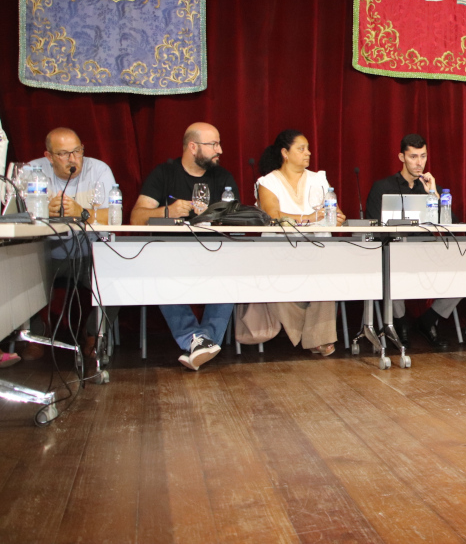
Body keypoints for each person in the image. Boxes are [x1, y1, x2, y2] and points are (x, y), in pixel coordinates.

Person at [130, 123, 240, 370]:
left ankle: (198, 341)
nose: (220, 150)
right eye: (213, 144)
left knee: (233, 271)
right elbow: (136, 217)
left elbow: (237, 220)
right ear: (192, 147)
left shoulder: (223, 178)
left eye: (219, 144)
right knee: (157, 274)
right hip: (169, 256)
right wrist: (166, 211)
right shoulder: (164, 174)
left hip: (213, 253)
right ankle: (199, 339)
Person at [24, 128, 119, 360]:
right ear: (49, 156)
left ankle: (93, 335)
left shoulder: (99, 170)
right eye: (63, 154)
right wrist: (43, 211)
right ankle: (36, 334)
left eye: (77, 151)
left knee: (117, 276)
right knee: (17, 274)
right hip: (45, 254)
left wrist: (82, 212)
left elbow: (114, 215)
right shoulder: (32, 172)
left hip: (89, 253)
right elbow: (16, 214)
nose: (73, 159)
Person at [252, 129, 343, 356]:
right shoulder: (268, 182)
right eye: (301, 149)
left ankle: (317, 336)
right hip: (279, 252)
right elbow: (273, 216)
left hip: (317, 249)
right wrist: (309, 218)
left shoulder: (318, 179)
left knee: (327, 277)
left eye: (308, 148)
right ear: (285, 153)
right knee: (271, 282)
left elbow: (334, 212)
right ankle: (313, 334)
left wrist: (337, 217)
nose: (308, 153)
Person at [365, 134, 459, 349]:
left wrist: (433, 194)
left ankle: (429, 320)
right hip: (396, 250)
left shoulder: (429, 188)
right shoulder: (383, 187)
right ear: (402, 157)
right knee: (391, 263)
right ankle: (400, 323)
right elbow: (373, 228)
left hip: (428, 250)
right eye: (413, 157)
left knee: (464, 266)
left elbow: (452, 224)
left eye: (423, 156)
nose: (419, 163)